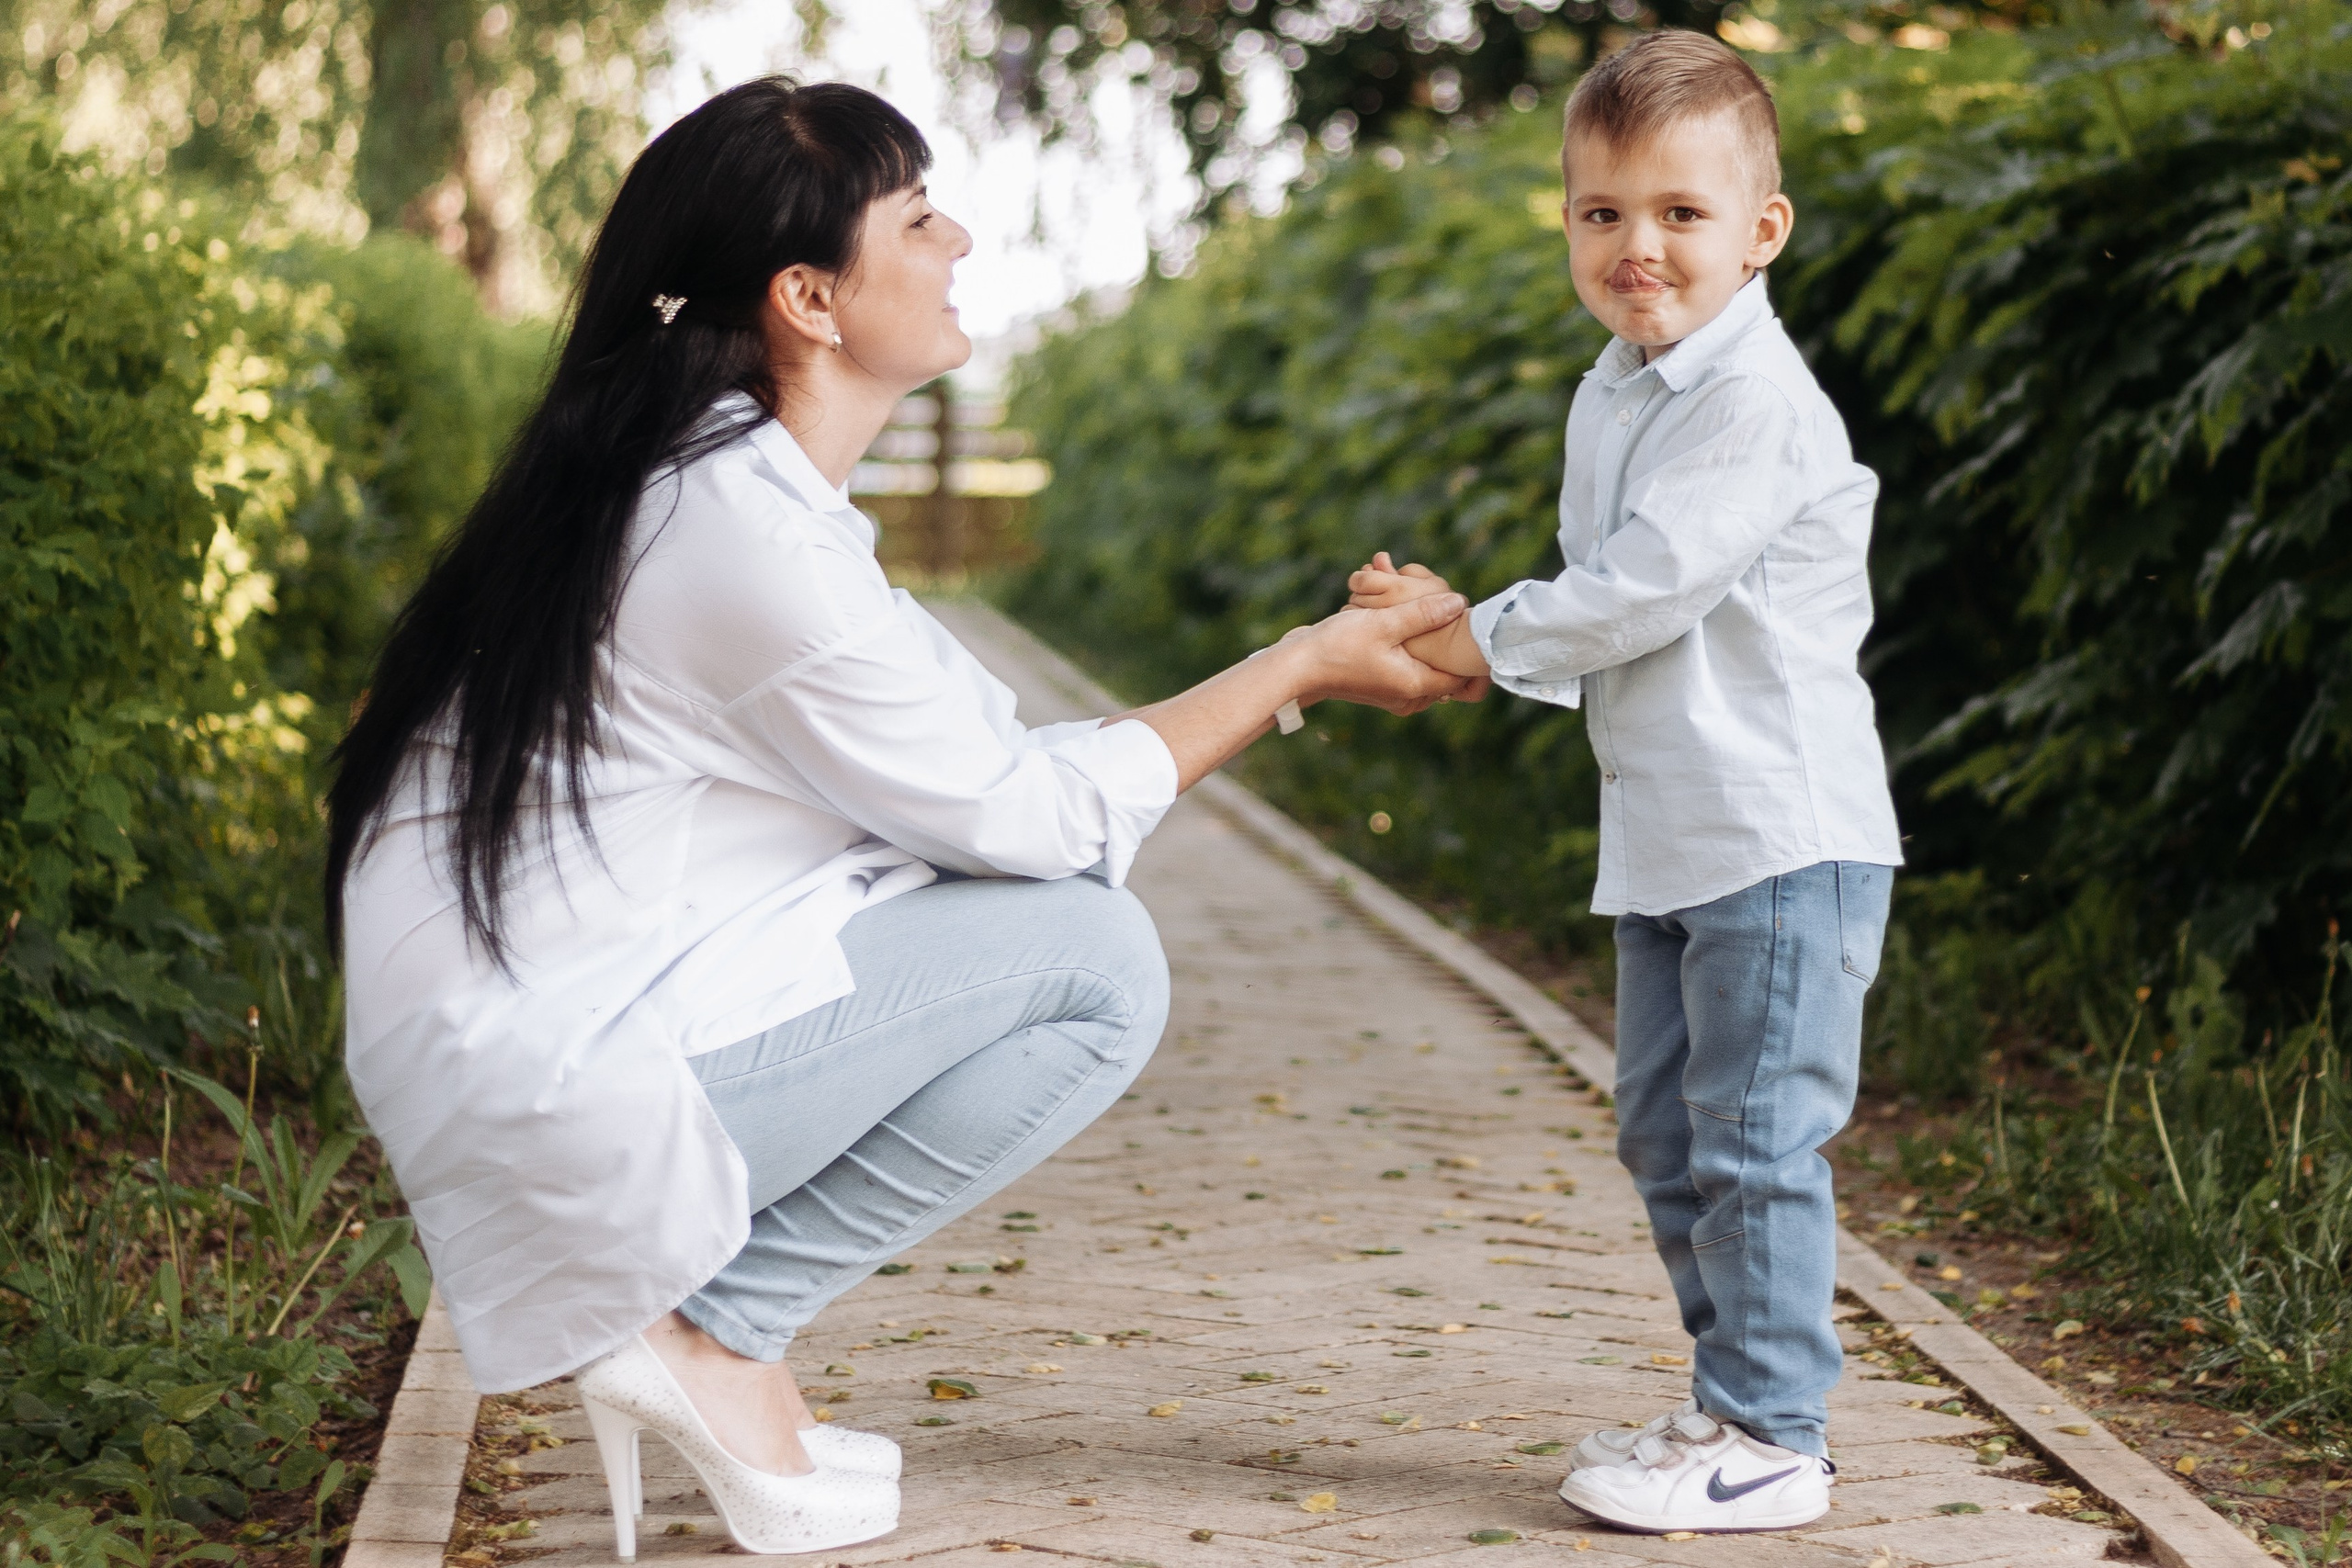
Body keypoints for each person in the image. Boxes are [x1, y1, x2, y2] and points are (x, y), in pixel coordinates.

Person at [325, 77, 1476, 1560]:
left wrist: (1297, 666)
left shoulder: (705, 493)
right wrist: (1303, 663)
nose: (964, 239)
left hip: (536, 1050)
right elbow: (1037, 827)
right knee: (1091, 963)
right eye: (920, 217)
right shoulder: (740, 539)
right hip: (554, 1098)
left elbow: (992, 775)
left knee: (1049, 923)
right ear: (810, 296)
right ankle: (710, 1333)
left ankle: (703, 1332)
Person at [1346, 30, 1902, 1536]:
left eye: (1680, 212)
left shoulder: (1750, 402)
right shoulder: (1622, 390)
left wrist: (1473, 635)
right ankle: (1727, 1402)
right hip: (1672, 836)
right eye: (1602, 214)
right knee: (1667, 1132)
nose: (1637, 246)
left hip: (1776, 838)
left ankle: (1778, 1436)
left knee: (1753, 1138)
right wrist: (1464, 622)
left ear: (1761, 230)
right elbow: (1605, 592)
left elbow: (1645, 588)